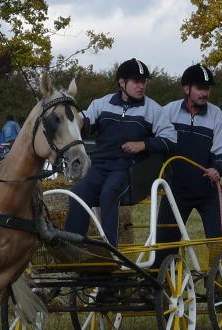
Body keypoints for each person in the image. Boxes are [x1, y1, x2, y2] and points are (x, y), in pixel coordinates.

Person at [64, 58, 177, 247]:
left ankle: (110, 250)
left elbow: (171, 138)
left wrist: (143, 144)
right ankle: (72, 247)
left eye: (144, 82)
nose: (141, 86)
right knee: (77, 193)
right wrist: (67, 112)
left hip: (129, 170)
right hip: (99, 167)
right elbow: (80, 122)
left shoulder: (153, 109)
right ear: (122, 82)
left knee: (109, 192)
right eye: (136, 82)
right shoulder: (101, 104)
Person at [155, 63, 222, 264]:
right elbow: (154, 139)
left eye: (207, 88)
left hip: (208, 189)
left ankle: (220, 278)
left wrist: (217, 168)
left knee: (218, 241)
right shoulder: (168, 111)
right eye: (199, 88)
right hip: (175, 190)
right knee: (164, 244)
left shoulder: (216, 115)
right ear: (186, 88)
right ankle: (162, 279)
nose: (204, 93)